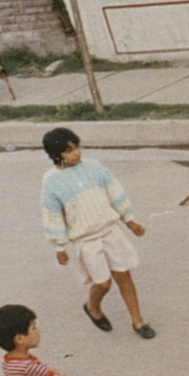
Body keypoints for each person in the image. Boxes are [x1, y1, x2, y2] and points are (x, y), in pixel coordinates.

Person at [39, 128, 155, 339]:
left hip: (110, 231)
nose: (76, 153)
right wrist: (59, 246)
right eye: (68, 151)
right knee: (103, 283)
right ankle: (92, 306)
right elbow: (52, 214)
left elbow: (115, 192)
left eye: (77, 147)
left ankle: (138, 321)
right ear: (56, 154)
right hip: (85, 239)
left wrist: (129, 220)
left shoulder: (94, 167)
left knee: (124, 275)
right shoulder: (51, 181)